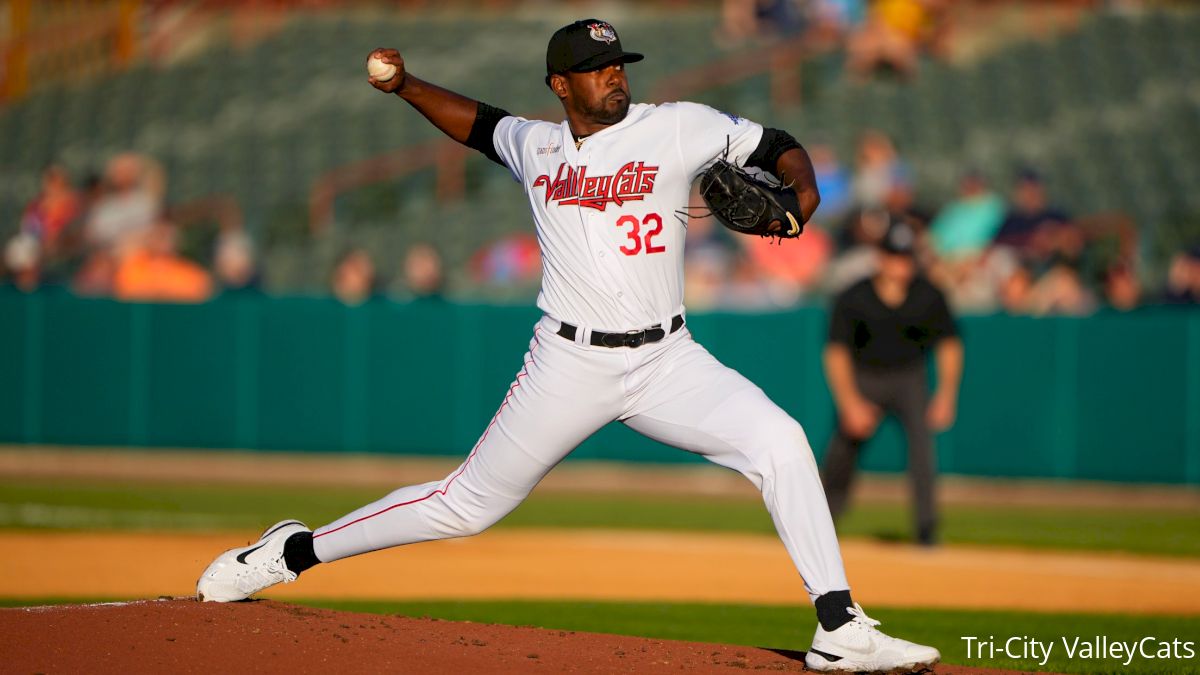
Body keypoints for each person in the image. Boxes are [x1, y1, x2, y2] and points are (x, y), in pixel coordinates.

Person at [196, 19, 940, 673]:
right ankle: (291, 552)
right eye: (596, 69)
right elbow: (478, 124)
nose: (614, 75)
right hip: (568, 362)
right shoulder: (537, 145)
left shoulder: (677, 124)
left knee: (780, 440)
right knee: (465, 507)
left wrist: (799, 201)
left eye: (619, 64)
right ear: (561, 84)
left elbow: (779, 147)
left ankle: (840, 626)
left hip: (667, 360)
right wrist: (406, 85)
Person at [822, 218, 962, 547]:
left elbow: (949, 345)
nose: (901, 265)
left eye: (906, 257)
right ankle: (823, 526)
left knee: (922, 452)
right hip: (865, 378)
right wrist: (849, 402)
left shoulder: (928, 295)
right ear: (880, 257)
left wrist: (946, 393)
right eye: (894, 256)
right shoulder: (854, 296)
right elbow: (836, 352)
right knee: (841, 454)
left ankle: (926, 529)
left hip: (909, 378)